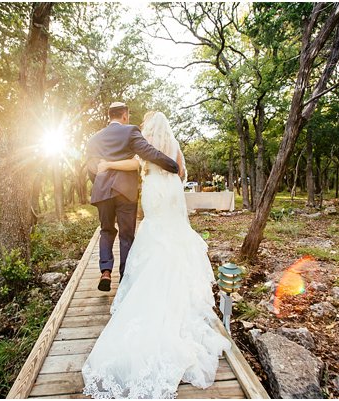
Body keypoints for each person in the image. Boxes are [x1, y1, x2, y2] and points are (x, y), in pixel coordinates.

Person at [82, 111, 230, 399]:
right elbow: (180, 170)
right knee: (144, 234)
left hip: (134, 191)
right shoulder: (167, 144)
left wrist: (105, 168)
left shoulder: (127, 141)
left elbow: (134, 162)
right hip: (169, 192)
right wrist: (172, 167)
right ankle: (127, 273)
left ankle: (110, 271)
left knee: (115, 231)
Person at [86, 102, 179, 291]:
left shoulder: (94, 139)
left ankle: (105, 271)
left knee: (106, 230)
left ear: (109, 115)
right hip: (125, 191)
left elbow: (90, 167)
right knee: (126, 236)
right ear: (125, 115)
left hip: (102, 190)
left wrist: (99, 182)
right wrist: (171, 165)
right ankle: (124, 278)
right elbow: (148, 152)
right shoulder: (130, 131)